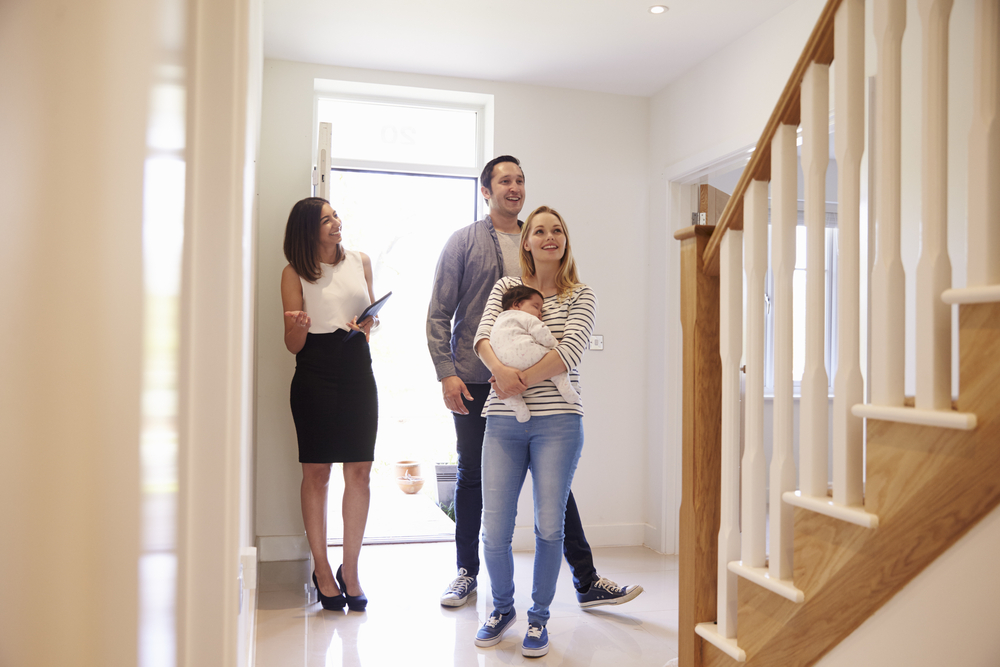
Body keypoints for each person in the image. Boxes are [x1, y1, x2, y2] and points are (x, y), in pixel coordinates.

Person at [426, 155, 643, 611]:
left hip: (543, 390)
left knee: (555, 492)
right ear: (486, 190)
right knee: (472, 477)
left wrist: (522, 376)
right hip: (477, 378)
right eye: (505, 180)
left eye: (520, 180)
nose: (515, 188)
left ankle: (584, 579)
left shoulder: (539, 239)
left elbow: (567, 343)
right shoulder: (465, 242)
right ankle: (467, 573)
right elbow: (441, 314)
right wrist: (447, 371)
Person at [473, 205, 594, 657]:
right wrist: (501, 372)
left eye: (556, 230)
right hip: (503, 421)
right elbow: (482, 339)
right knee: (495, 529)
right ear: (526, 241)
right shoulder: (507, 289)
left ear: (565, 241)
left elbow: (569, 352)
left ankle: (539, 618)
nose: (548, 237)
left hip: (559, 424)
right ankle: (502, 608)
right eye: (539, 230)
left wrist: (515, 380)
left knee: (548, 526)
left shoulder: (581, 295)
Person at [281, 197, 379, 613]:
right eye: (326, 220)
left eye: (335, 215)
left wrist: (368, 323)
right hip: (314, 372)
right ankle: (322, 570)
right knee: (317, 473)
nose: (336, 223)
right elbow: (292, 345)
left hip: (357, 368)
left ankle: (350, 570)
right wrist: (299, 327)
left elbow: (372, 319)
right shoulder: (294, 273)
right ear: (308, 230)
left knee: (359, 471)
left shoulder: (360, 261)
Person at [489, 284, 579, 422]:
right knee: (554, 359)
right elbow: (542, 334)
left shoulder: (497, 321)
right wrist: (556, 345)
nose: (540, 313)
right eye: (536, 307)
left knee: (506, 392)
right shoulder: (526, 317)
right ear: (517, 305)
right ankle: (564, 387)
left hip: (504, 364)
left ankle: (519, 408)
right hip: (528, 355)